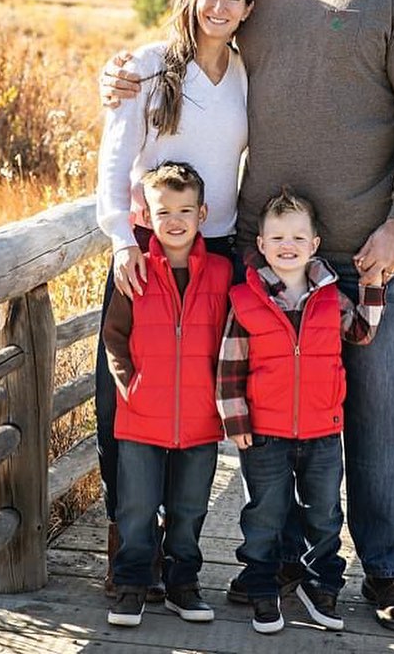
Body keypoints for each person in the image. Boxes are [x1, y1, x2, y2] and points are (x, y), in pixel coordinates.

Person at [102, 0, 394, 633]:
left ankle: (392, 570)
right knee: (279, 418)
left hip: (371, 250)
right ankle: (287, 561)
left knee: (389, 419)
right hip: (265, 256)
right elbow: (191, 37)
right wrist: (121, 75)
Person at [95, 0, 255, 601]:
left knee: (199, 395)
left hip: (216, 249)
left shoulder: (248, 73)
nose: (218, 7)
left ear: (247, 9)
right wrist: (116, 237)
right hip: (145, 244)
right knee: (123, 398)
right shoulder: (149, 65)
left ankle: (178, 551)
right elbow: (114, 156)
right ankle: (124, 540)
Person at [217, 187, 384, 634]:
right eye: (276, 238)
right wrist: (235, 420)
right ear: (261, 246)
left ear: (313, 245)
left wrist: (371, 287)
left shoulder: (331, 298)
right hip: (264, 433)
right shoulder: (245, 300)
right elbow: (230, 365)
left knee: (325, 512)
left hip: (323, 430)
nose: (286, 246)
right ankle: (261, 585)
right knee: (264, 512)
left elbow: (362, 332)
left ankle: (321, 585)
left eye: (296, 238)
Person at [103, 161, 232, 627]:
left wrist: (225, 394)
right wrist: (129, 385)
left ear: (203, 213)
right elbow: (114, 336)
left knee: (190, 506)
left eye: (184, 210)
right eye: (163, 212)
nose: (174, 221)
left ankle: (183, 585)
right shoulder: (135, 270)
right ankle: (133, 585)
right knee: (135, 506)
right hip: (141, 413)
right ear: (147, 216)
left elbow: (235, 337)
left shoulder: (221, 273)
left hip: (200, 416)